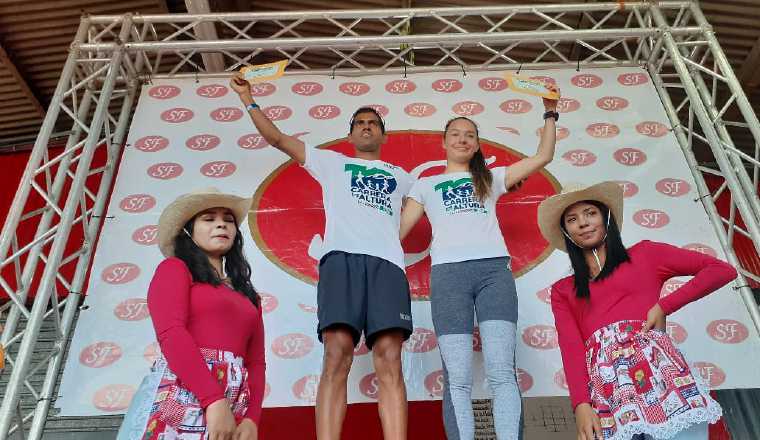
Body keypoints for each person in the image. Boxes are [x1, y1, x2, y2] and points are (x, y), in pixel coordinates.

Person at [231, 73, 412, 440]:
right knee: (337, 353)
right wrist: (247, 98)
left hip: (388, 267)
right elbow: (277, 139)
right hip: (341, 261)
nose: (366, 127)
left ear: (383, 136)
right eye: (359, 123)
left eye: (373, 123)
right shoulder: (331, 162)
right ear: (350, 135)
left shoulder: (404, 176)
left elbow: (452, 192)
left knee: (390, 359)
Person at [398, 83, 560, 440]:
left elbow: (543, 157)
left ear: (476, 144)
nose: (462, 139)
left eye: (469, 134)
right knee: (457, 377)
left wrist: (549, 112)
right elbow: (397, 234)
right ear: (443, 142)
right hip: (449, 277)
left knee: (502, 370)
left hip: (493, 274)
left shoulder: (492, 178)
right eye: (455, 133)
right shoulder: (426, 184)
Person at [536, 181, 736, 440]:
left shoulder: (646, 254)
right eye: (572, 219)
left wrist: (664, 306)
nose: (583, 223)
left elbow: (722, 271)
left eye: (590, 213)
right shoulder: (564, 290)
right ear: (566, 232)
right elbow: (571, 347)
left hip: (661, 377)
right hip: (610, 392)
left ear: (606, 217)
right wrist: (581, 406)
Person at [119, 188, 264, 440]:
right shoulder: (175, 269)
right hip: (183, 391)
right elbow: (171, 333)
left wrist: (252, 418)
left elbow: (257, 362)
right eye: (209, 219)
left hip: (234, 403)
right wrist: (213, 399)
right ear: (188, 231)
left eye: (228, 220)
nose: (221, 224)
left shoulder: (249, 296)